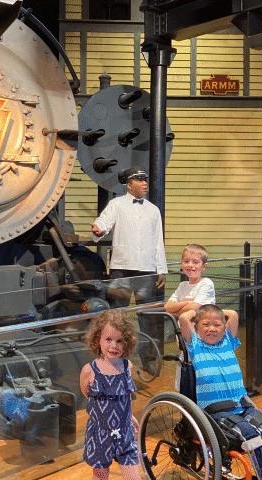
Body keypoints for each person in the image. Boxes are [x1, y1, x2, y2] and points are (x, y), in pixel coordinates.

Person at [179, 305, 262, 480]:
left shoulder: (227, 342)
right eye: (206, 324)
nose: (211, 329)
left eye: (217, 325)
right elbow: (184, 318)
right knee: (250, 434)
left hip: (242, 405)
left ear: (224, 328)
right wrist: (199, 309)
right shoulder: (195, 345)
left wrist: (214, 314)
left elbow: (233, 314)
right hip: (216, 410)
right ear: (197, 328)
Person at [91, 166, 168, 375]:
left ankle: (149, 359)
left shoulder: (153, 209)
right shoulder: (116, 204)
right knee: (117, 318)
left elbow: (158, 241)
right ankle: (115, 360)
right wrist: (99, 228)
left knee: (148, 318)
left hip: (146, 270)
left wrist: (161, 269)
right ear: (129, 184)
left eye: (146, 179)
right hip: (121, 270)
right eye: (140, 180)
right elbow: (104, 222)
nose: (145, 183)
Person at [80, 310, 141, 480]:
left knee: (134, 475)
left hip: (125, 432)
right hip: (100, 434)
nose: (114, 345)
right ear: (97, 340)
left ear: (126, 343)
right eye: (108, 339)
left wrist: (129, 416)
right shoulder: (89, 370)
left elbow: (126, 395)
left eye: (119, 341)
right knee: (100, 475)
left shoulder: (127, 366)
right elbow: (87, 394)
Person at [164, 244, 215, 390]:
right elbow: (168, 307)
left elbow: (195, 308)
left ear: (204, 266)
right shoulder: (182, 286)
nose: (190, 265)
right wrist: (189, 302)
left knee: (203, 381)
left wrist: (180, 305)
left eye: (195, 262)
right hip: (184, 342)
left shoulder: (207, 284)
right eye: (186, 261)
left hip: (203, 343)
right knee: (184, 381)